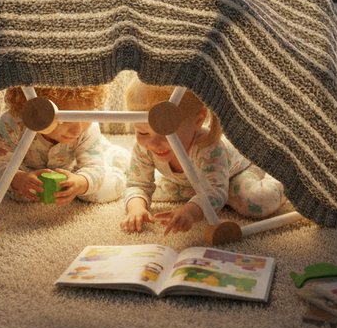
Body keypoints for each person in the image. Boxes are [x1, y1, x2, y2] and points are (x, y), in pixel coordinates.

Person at [121, 80, 286, 235]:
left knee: (257, 201)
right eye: (142, 132)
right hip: (192, 184)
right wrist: (136, 209)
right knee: (158, 192)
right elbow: (138, 183)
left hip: (234, 174)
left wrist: (190, 212)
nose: (154, 143)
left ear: (198, 119)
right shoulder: (145, 148)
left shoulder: (208, 147)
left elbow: (215, 189)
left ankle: (282, 176)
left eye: (167, 132)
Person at [0, 84, 130, 204]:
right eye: (64, 119)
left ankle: (115, 158)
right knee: (19, 193)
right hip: (28, 167)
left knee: (98, 193)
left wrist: (80, 182)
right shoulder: (13, 123)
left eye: (86, 116)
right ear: (36, 110)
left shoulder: (88, 130)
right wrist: (19, 179)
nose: (77, 129)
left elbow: (93, 167)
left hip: (74, 166)